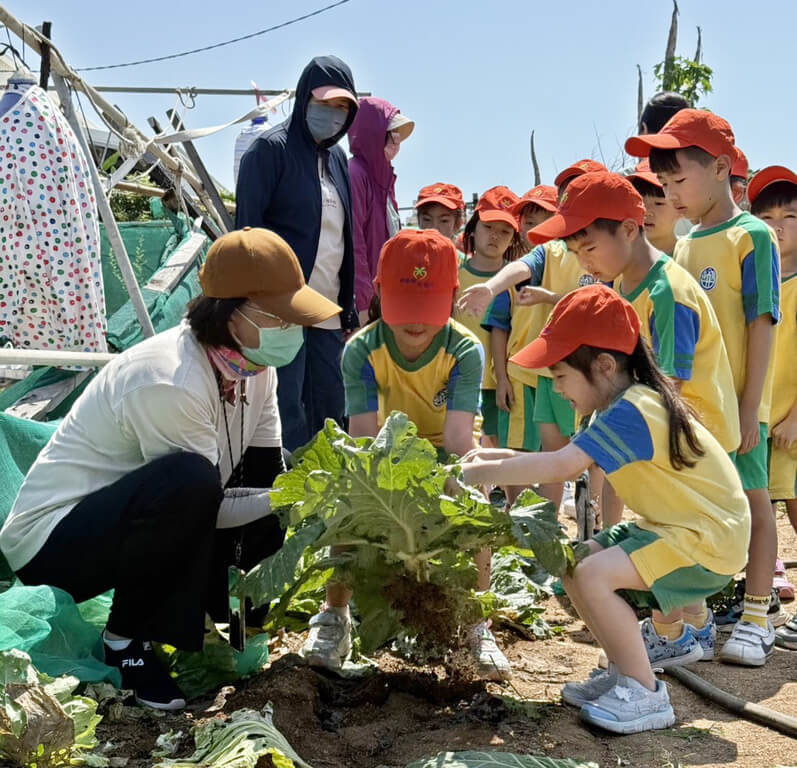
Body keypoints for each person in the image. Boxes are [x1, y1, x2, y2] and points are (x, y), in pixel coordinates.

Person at [0, 228, 341, 710]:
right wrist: (289, 496)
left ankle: (233, 618)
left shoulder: (257, 369)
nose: (292, 329)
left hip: (134, 523)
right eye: (279, 317)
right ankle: (124, 642)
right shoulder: (170, 378)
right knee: (191, 481)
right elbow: (201, 503)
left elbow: (262, 472)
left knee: (272, 480)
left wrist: (278, 511)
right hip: (53, 546)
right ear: (230, 311)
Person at [459, 284, 750, 734]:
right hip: (680, 530)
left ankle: (645, 693)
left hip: (707, 540)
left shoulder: (634, 409)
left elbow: (560, 465)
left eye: (560, 377)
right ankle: (623, 671)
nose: (556, 389)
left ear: (604, 366)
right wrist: (488, 458)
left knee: (594, 575)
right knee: (578, 564)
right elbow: (562, 459)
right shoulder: (618, 405)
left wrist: (475, 473)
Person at [531, 171, 741, 664]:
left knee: (673, 541)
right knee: (663, 535)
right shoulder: (626, 286)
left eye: (588, 247)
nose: (583, 260)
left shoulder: (667, 291)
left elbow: (671, 388)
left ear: (629, 229)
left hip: (689, 446)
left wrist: (611, 441)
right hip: (661, 444)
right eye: (576, 252)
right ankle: (687, 631)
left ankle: (680, 633)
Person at [301, 229, 512, 680]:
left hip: (443, 453)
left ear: (452, 296)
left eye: (428, 309)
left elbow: (457, 440)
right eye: (404, 309)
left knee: (474, 506)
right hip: (385, 453)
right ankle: (334, 616)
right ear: (379, 293)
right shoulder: (360, 350)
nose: (415, 325)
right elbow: (363, 437)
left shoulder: (465, 351)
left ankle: (478, 625)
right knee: (348, 502)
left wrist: (452, 481)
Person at [626, 109, 781, 666]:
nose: (672, 193)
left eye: (679, 181)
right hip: (698, 411)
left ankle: (759, 614)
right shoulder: (685, 246)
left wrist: (749, 407)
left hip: (741, 408)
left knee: (755, 504)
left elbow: (762, 323)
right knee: (698, 511)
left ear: (720, 168)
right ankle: (696, 618)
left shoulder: (752, 235)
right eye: (664, 185)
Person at [235, 56, 359, 452]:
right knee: (285, 408)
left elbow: (343, 239)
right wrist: (249, 305)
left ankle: (325, 499)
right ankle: (280, 499)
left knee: (330, 408)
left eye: (343, 108)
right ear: (304, 97)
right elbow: (247, 235)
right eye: (325, 104)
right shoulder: (270, 151)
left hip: (326, 312)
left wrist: (348, 306)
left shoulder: (338, 160)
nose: (333, 115)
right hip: (280, 310)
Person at [458, 166, 598, 511]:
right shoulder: (539, 257)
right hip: (529, 372)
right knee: (538, 451)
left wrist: (548, 297)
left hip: (581, 371)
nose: (534, 228)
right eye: (528, 221)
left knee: (590, 452)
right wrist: (491, 287)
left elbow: (597, 306)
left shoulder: (603, 257)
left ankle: (594, 521)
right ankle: (532, 519)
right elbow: (502, 321)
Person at [748, 166, 797, 629]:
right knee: (755, 508)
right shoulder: (755, 281)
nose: (778, 225)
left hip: (790, 422)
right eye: (766, 215)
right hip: (756, 417)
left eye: (790, 215)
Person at [454, 186, 522, 446]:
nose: (495, 236)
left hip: (502, 383)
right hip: (459, 379)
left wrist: (505, 378)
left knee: (501, 446)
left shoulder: (518, 278)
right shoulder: (455, 275)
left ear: (513, 238)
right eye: (488, 227)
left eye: (504, 231)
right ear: (472, 228)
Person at [349, 97, 415, 325]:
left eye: (399, 137)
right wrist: (364, 303)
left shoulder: (385, 178)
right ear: (373, 133)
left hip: (386, 298)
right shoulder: (355, 174)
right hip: (366, 304)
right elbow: (354, 241)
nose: (397, 143)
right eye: (392, 134)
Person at [625, 160, 680, 256]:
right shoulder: (618, 262)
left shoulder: (691, 254)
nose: (646, 211)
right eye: (640, 202)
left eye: (658, 203)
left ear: (680, 209)